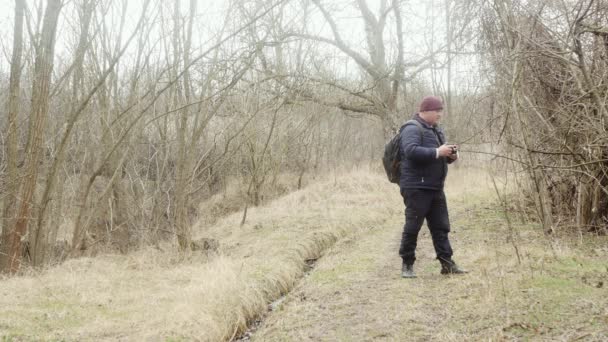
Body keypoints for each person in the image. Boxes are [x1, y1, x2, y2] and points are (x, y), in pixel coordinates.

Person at [398, 95, 467, 278]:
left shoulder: (436, 130)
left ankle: (447, 264)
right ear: (426, 110)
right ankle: (407, 265)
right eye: (437, 111)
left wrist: (450, 156)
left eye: (441, 111)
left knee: (441, 226)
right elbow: (411, 151)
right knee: (413, 226)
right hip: (416, 187)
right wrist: (438, 151)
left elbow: (437, 157)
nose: (440, 115)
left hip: (435, 187)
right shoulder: (411, 128)